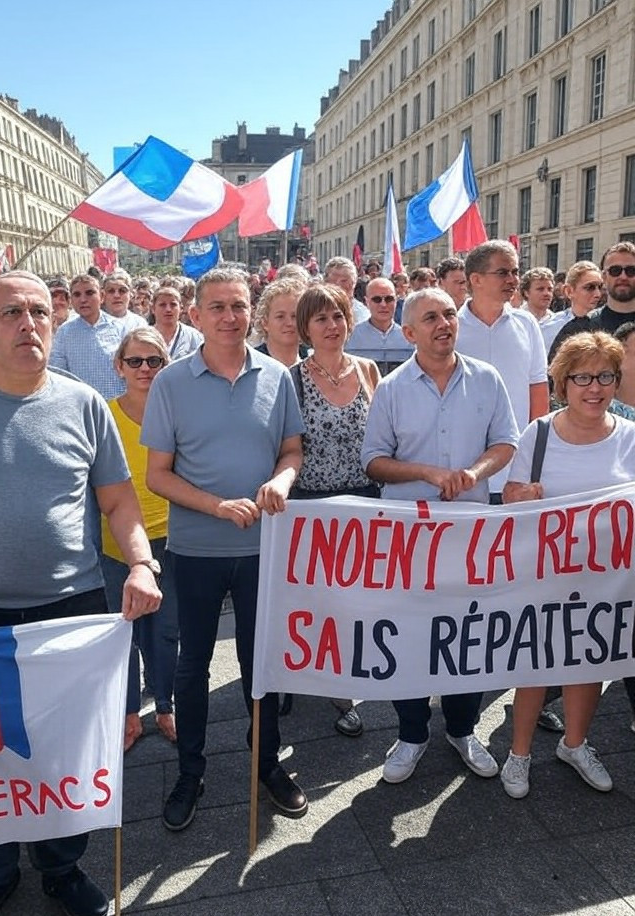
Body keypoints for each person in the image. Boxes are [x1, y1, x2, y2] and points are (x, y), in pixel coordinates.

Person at [0, 270, 162, 916]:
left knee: (66, 750)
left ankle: (60, 868)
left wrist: (140, 563)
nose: (29, 324)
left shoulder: (84, 404)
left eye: (38, 314)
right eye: (11, 314)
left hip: (70, 614)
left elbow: (119, 501)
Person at [142, 266, 308, 832]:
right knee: (192, 667)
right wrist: (215, 505)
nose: (229, 317)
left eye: (239, 306)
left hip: (265, 546)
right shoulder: (170, 383)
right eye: (217, 307)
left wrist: (282, 481)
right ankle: (191, 770)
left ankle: (267, 762)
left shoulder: (276, 376)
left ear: (251, 313)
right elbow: (157, 475)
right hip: (195, 550)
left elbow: (291, 450)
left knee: (261, 660)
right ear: (196, 316)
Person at [362, 287, 519, 784]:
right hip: (407, 537)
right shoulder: (390, 389)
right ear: (409, 333)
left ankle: (462, 728)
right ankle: (411, 734)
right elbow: (374, 462)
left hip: (467, 535)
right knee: (409, 633)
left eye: (449, 314)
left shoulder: (487, 379)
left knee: (466, 633)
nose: (444, 323)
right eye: (430, 317)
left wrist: (474, 472)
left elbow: (506, 442)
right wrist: (428, 473)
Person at [500, 331, 635, 799]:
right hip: (545, 576)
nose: (594, 388)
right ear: (562, 384)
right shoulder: (537, 434)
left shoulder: (631, 438)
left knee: (589, 660)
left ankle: (575, 744)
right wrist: (520, 497)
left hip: (606, 582)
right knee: (535, 664)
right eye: (582, 377)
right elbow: (512, 498)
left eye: (605, 376)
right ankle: (518, 755)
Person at [291, 283, 381, 737]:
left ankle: (352, 673)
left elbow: (385, 435)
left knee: (358, 599)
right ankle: (329, 685)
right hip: (313, 508)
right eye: (321, 318)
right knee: (321, 602)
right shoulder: (292, 378)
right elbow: (284, 449)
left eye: (339, 316)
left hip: (364, 501)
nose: (332, 326)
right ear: (306, 327)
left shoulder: (367, 369)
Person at [101, 328, 179, 749]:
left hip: (171, 537)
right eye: (136, 361)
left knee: (166, 631)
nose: (145, 369)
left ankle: (165, 704)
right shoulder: (104, 414)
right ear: (120, 366)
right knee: (123, 633)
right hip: (116, 544)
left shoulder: (179, 411)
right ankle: (129, 711)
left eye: (155, 361)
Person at [456, 240, 549, 502]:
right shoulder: (452, 327)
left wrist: (535, 450)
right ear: (476, 279)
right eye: (503, 272)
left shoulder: (526, 323)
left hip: (516, 465)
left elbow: (538, 387)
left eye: (515, 271)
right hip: (462, 467)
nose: (512, 279)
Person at [49, 273, 127, 399]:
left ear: (101, 296)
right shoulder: (64, 333)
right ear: (71, 300)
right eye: (77, 295)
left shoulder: (121, 329)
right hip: (82, 407)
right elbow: (58, 375)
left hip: (117, 406)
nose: (83, 299)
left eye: (89, 293)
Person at [345, 276, 413, 375]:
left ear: (396, 301)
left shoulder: (409, 338)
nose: (383, 305)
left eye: (389, 299)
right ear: (366, 301)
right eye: (377, 299)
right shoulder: (349, 338)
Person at [547, 261, 604, 362]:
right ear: (569, 291)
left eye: (599, 287)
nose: (597, 294)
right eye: (589, 287)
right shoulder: (550, 327)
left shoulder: (606, 323)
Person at [252, 277, 308, 366]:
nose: (289, 323)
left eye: (295, 316)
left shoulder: (315, 368)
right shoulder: (251, 365)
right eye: (280, 316)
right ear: (265, 322)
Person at [587, 241, 635, 334]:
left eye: (631, 271)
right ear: (604, 277)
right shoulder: (583, 326)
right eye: (615, 270)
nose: (623, 277)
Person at [520, 267, 569, 352]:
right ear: (526, 292)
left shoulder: (560, 323)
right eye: (540, 289)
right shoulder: (516, 320)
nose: (546, 293)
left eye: (550, 289)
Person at [149, 284, 202, 360]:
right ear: (153, 309)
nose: (168, 309)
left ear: (181, 308)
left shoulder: (195, 337)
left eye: (173, 305)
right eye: (162, 305)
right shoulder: (143, 337)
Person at [323, 256, 369, 324]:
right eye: (333, 281)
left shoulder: (362, 316)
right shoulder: (314, 310)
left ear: (354, 282)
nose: (338, 285)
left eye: (344, 281)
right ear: (325, 282)